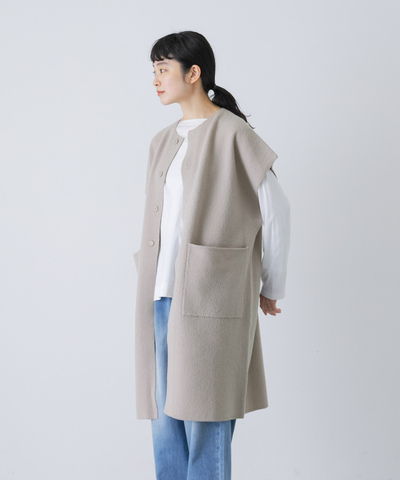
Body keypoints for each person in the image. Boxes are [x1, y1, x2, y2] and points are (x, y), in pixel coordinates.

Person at [133, 31, 291, 480]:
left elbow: (277, 211)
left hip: (211, 294)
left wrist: (271, 284)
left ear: (193, 73)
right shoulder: (162, 141)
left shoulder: (233, 132)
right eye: (154, 71)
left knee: (206, 412)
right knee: (165, 420)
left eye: (163, 69)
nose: (155, 80)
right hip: (159, 295)